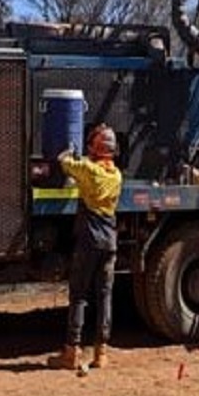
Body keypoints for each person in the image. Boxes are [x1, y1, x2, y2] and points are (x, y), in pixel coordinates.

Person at [50, 123, 123, 374]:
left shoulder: (88, 170)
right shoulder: (117, 175)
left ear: (94, 148)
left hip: (89, 241)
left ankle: (71, 351)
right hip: (109, 241)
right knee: (104, 296)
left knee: (79, 295)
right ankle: (101, 353)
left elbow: (63, 161)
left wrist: (71, 150)